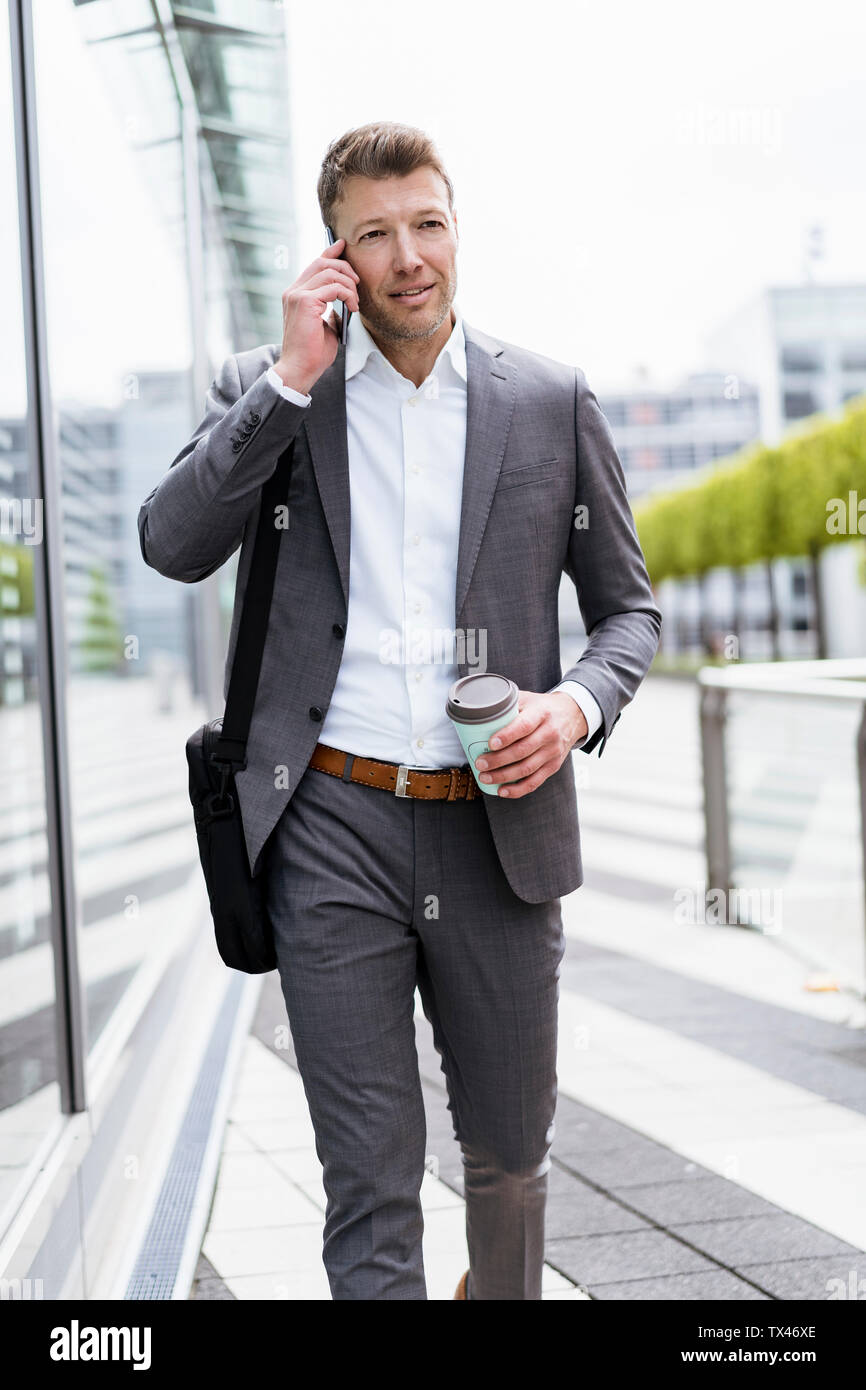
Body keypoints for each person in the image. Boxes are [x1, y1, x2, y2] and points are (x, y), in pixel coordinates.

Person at [138, 120, 662, 1300]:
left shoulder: (545, 399)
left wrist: (572, 706)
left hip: (500, 827)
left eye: (426, 223)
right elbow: (170, 543)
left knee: (509, 1163)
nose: (408, 255)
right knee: (368, 1182)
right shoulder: (276, 394)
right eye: (374, 234)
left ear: (454, 227)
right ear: (336, 256)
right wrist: (284, 384)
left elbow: (628, 613)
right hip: (330, 825)